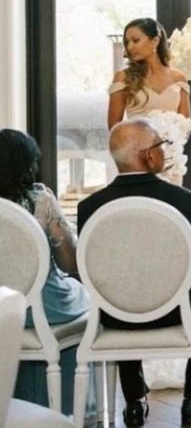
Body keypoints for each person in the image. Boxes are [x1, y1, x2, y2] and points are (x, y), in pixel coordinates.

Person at [77, 119, 191, 428]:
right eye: (161, 145)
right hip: (174, 312)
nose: (164, 151)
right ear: (148, 155)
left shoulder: (90, 206)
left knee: (122, 291)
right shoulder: (182, 200)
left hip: (116, 317)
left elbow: (89, 269)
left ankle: (133, 402)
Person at [3, 129, 95, 419]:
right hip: (45, 305)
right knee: (85, 296)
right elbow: (70, 263)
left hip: (4, 308)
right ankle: (75, 409)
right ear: (27, 164)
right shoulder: (40, 200)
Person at [107, 18, 191, 185]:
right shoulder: (123, 77)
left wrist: (168, 148)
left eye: (136, 40)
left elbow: (185, 125)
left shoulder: (178, 77)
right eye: (127, 42)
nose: (130, 46)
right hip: (136, 162)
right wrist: (135, 153)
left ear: (155, 41)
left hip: (170, 160)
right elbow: (114, 126)